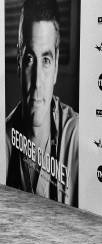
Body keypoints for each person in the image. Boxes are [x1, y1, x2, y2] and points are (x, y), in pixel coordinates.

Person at [5, 0, 78, 206]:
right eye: (29, 58)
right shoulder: (4, 139)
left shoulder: (75, 137)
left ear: (55, 69)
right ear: (19, 62)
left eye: (46, 60)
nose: (37, 82)